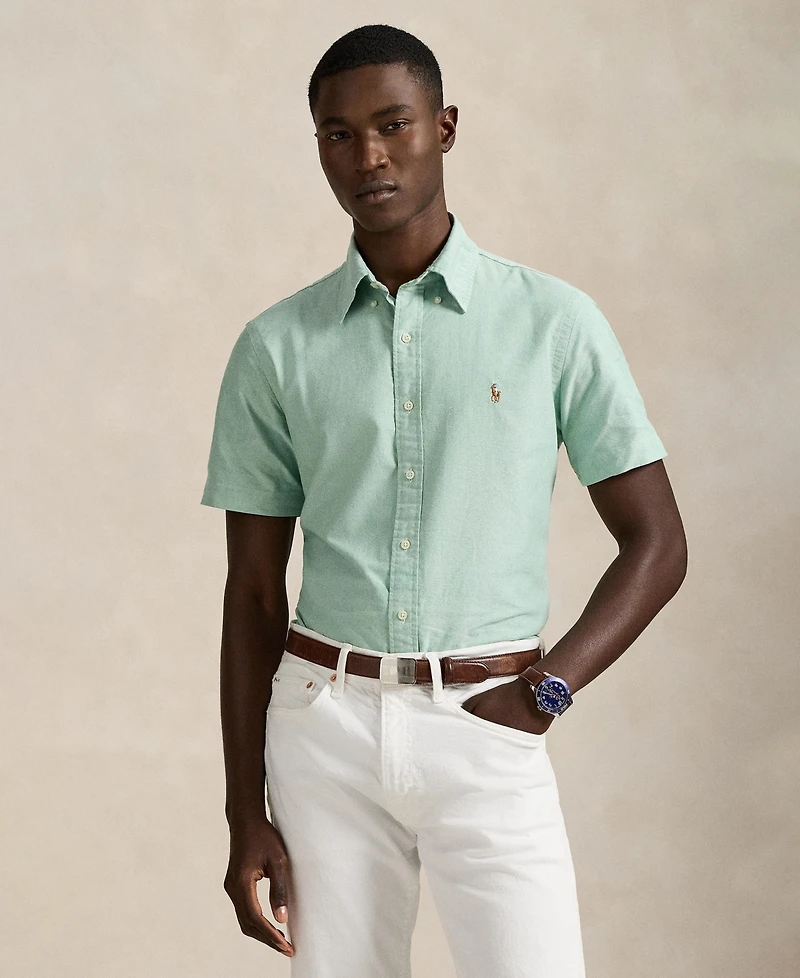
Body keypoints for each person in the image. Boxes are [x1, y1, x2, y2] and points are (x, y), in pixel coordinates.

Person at [200, 23, 687, 978]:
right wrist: (243, 811)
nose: (369, 157)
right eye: (338, 135)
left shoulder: (553, 322)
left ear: (445, 127)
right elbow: (253, 592)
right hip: (323, 729)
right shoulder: (275, 348)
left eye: (393, 125)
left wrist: (547, 691)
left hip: (488, 724)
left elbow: (658, 544)